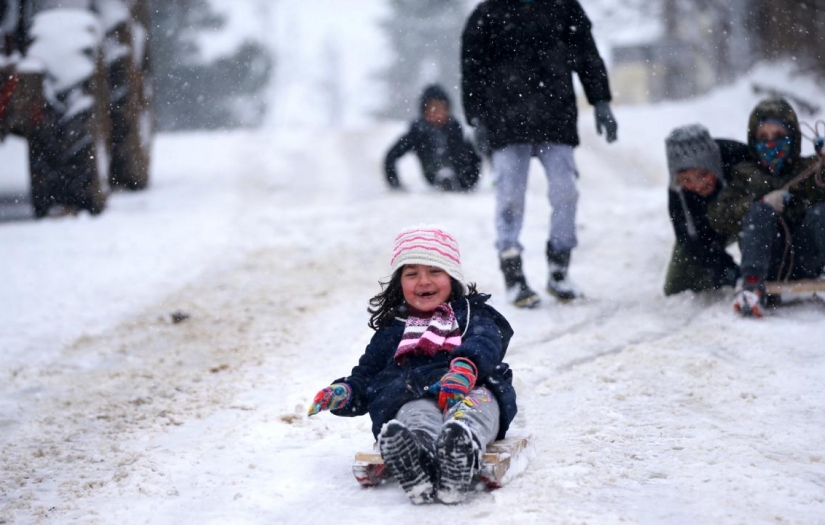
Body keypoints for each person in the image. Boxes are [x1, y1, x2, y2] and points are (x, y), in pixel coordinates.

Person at [307, 226, 517, 505]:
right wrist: (344, 392)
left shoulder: (471, 315)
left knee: (472, 412)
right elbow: (367, 375)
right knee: (415, 416)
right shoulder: (392, 330)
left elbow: (485, 341)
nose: (423, 281)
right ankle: (416, 460)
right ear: (399, 283)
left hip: (469, 388)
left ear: (452, 277)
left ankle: (460, 451)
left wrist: (465, 368)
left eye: (434, 271)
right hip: (413, 394)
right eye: (411, 274)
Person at [461, 0, 618, 308]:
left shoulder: (564, 8)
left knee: (566, 193)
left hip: (555, 116)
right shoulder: (488, 13)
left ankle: (560, 268)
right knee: (509, 198)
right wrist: (476, 116)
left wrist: (600, 100)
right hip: (504, 120)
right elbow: (471, 67)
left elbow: (587, 54)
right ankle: (513, 272)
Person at [708, 97, 825, 317]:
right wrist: (760, 203)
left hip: (806, 258)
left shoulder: (809, 170)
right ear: (754, 140)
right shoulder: (745, 175)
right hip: (766, 263)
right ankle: (751, 290)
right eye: (764, 137)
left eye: (779, 136)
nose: (771, 144)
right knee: (759, 213)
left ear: (793, 137)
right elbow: (718, 216)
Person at [663, 124, 750, 296]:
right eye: (686, 179)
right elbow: (688, 237)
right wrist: (724, 268)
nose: (698, 185)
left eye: (703, 174)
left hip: (745, 218)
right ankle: (712, 281)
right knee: (676, 287)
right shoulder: (678, 191)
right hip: (707, 228)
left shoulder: (739, 158)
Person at [384, 85, 481, 192]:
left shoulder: (455, 128)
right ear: (424, 111)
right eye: (432, 108)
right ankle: (443, 175)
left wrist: (469, 181)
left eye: (440, 108)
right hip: (432, 173)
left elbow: (474, 157)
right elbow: (391, 156)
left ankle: (450, 176)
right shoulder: (418, 132)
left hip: (461, 178)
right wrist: (394, 184)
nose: (436, 112)